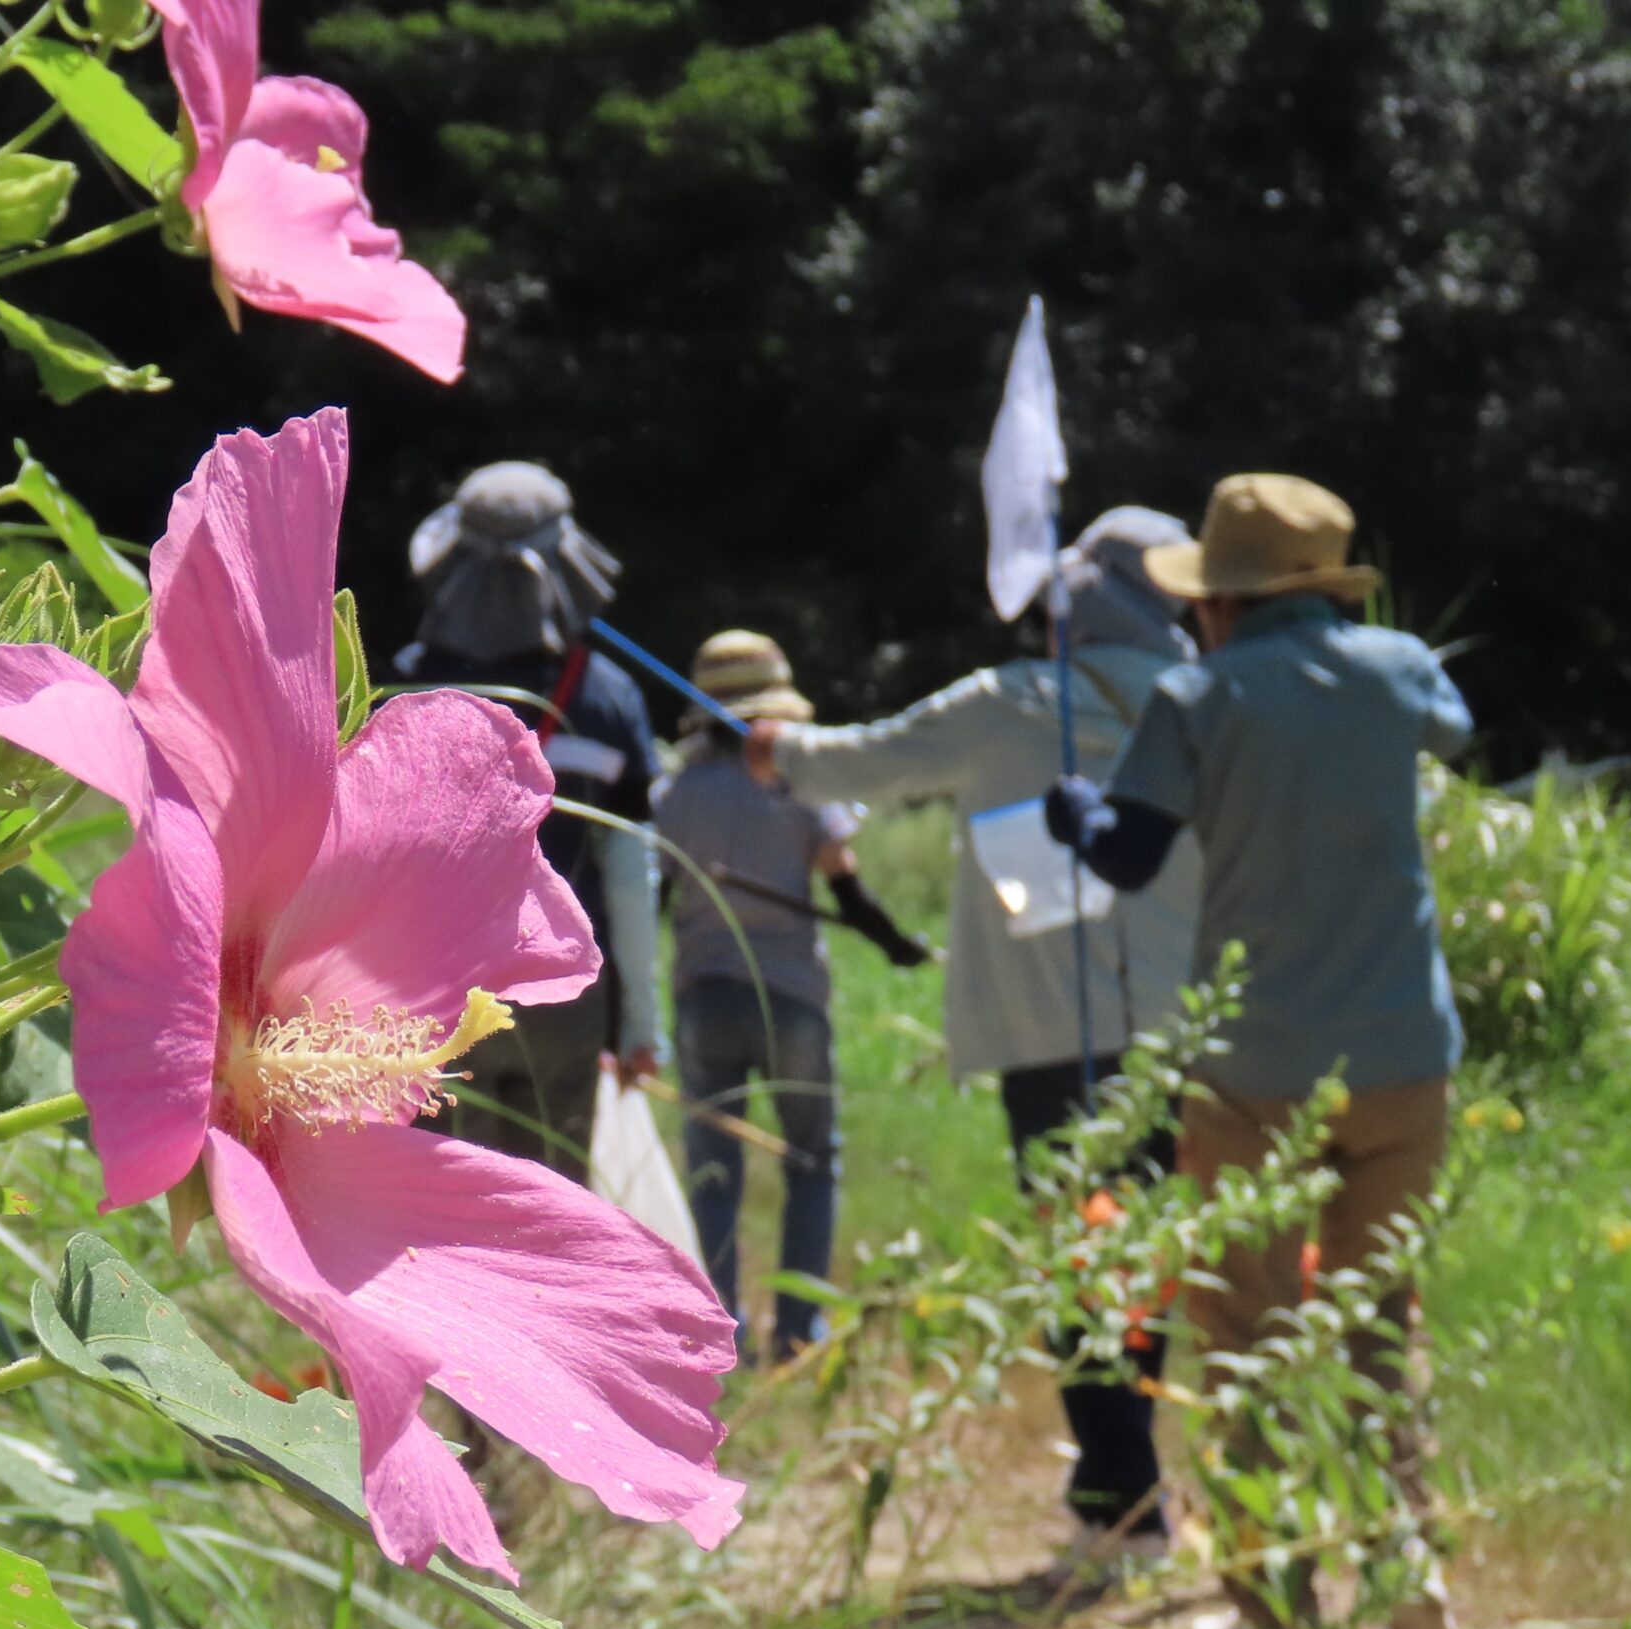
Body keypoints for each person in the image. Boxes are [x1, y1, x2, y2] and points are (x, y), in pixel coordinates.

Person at [1046, 472, 1472, 1629]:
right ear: (1327, 586)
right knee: (1379, 1319)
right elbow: (1454, 729)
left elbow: (1127, 856)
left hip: (1255, 1071)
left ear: (1219, 600)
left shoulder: (1198, 693)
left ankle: (1273, 1619)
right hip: (1404, 1056)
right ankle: (1405, 1575)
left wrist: (1076, 812)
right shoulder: (1401, 669)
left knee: (1247, 1336)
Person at [746, 507, 1205, 1561]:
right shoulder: (1202, 703)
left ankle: (1124, 1504)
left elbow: (869, 761)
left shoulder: (1011, 703)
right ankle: (1117, 1489)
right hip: (1183, 1028)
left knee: (1079, 1258)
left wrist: (776, 750)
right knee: (1143, 1258)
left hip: (1052, 1033)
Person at [394, 462, 664, 1181]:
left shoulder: (407, 683)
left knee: (446, 1204)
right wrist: (641, 1024)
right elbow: (630, 877)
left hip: (435, 993)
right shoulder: (607, 699)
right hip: (565, 995)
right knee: (551, 1205)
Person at [656, 630, 920, 1363]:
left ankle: (720, 1333)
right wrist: (898, 944)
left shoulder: (675, 792)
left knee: (714, 1170)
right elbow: (847, 885)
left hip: (704, 996)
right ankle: (799, 1333)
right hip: (791, 998)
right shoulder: (798, 781)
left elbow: (655, 896)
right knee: (810, 1160)